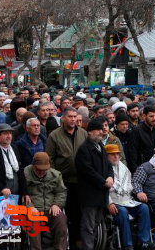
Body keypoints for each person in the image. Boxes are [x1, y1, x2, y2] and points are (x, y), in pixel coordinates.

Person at [45, 106, 87, 249]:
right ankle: (69, 240)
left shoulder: (83, 133)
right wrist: (55, 177)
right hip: (63, 181)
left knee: (81, 213)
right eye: (70, 117)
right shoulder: (54, 136)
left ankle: (79, 240)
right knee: (68, 213)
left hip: (81, 180)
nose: (73, 119)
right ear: (63, 118)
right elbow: (49, 158)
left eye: (75, 117)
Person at [105, 144, 155, 250]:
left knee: (144, 208)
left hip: (126, 199)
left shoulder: (124, 168)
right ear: (106, 156)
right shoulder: (103, 169)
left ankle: (144, 242)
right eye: (112, 154)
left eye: (117, 154)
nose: (116, 157)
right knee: (122, 211)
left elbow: (130, 184)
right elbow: (103, 191)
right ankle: (128, 245)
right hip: (114, 202)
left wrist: (126, 191)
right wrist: (109, 203)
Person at [75, 118, 114, 250]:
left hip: (100, 195)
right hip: (89, 195)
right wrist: (104, 182)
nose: (100, 132)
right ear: (89, 132)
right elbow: (87, 171)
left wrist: (110, 177)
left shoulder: (101, 147)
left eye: (101, 130)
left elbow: (108, 166)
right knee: (88, 227)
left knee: (96, 224)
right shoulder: (83, 150)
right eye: (97, 130)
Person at [0, 123, 30, 245]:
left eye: (10, 133)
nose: (9, 136)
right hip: (0, 197)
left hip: (15, 196)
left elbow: (20, 171)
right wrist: (1, 188)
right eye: (5, 133)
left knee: (15, 228)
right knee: (1, 229)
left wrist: (25, 192)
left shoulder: (14, 147)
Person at [24, 152, 68, 250]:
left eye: (44, 170)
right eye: (39, 170)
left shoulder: (56, 174)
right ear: (33, 165)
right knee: (33, 221)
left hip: (51, 209)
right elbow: (23, 195)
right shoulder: (25, 174)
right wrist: (30, 207)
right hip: (35, 210)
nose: (41, 172)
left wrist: (57, 204)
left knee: (61, 219)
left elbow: (62, 192)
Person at [128, 106, 155, 173]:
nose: (154, 119)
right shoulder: (137, 131)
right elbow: (132, 152)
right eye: (151, 116)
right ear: (144, 116)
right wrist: (135, 170)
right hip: (143, 169)